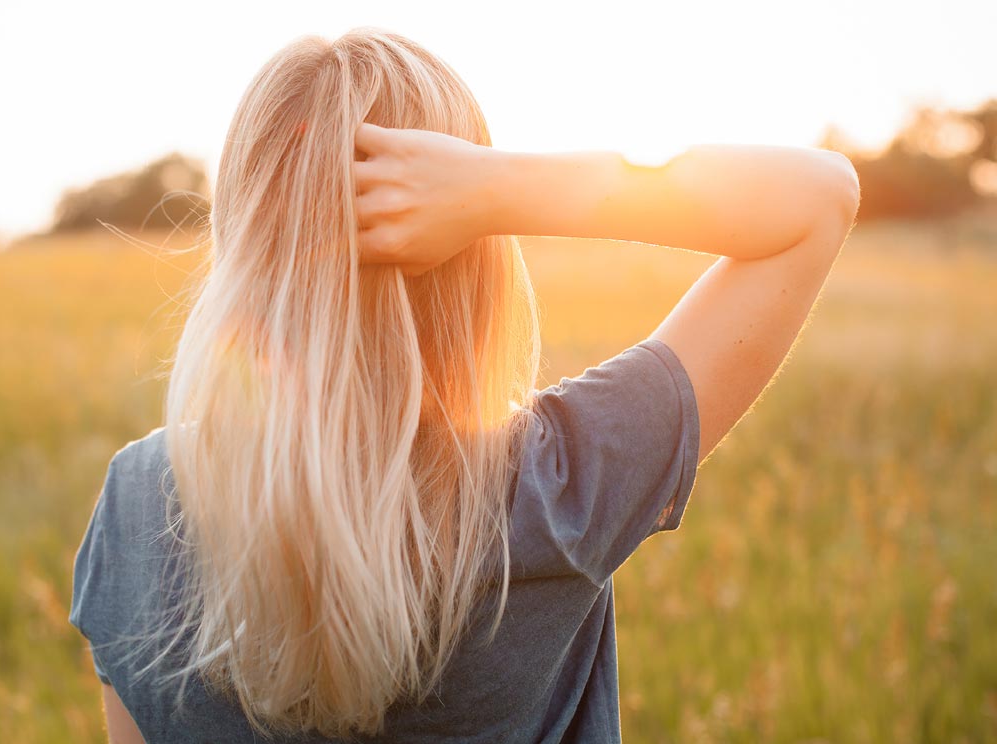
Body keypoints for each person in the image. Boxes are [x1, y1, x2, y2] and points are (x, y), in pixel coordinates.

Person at [68, 27, 860, 744]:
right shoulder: (554, 488)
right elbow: (817, 197)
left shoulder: (136, 503)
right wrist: (494, 188)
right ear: (473, 254)